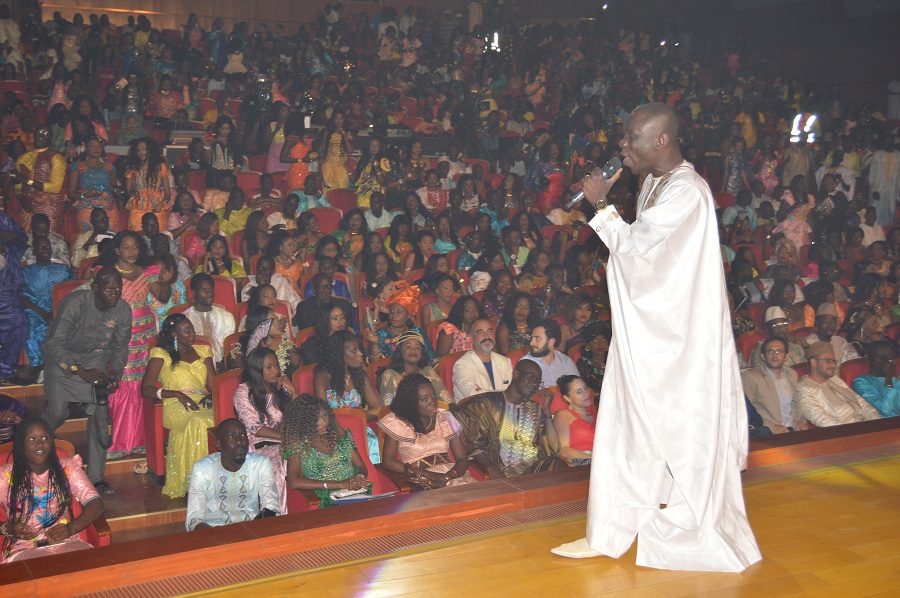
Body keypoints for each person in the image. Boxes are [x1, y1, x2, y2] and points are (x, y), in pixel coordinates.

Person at [552, 103, 760, 572]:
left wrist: (601, 205)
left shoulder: (688, 189)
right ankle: (608, 532)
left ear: (661, 140)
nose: (622, 147)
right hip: (650, 332)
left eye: (631, 138)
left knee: (682, 433)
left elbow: (636, 244)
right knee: (627, 429)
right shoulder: (652, 183)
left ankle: (687, 524)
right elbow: (646, 261)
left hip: (681, 344)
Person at [43, 267, 131, 495]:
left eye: (118, 288)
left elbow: (120, 347)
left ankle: (95, 478)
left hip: (96, 362)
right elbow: (54, 343)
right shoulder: (76, 304)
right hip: (63, 361)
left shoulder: (123, 310)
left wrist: (116, 373)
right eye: (108, 288)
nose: (114, 293)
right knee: (59, 412)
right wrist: (79, 370)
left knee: (100, 415)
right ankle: (31, 446)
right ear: (95, 288)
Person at [0, 418, 105, 563]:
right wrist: (8, 528)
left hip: (67, 542)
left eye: (45, 438)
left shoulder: (67, 468)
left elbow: (95, 503)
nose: (40, 444)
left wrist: (71, 528)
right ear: (21, 444)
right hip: (24, 548)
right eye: (32, 439)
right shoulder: (5, 475)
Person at [141, 314, 215, 497]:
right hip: (174, 404)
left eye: (192, 330)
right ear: (174, 334)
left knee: (215, 420)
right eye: (187, 331)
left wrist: (211, 396)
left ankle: (216, 481)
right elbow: (146, 389)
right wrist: (175, 394)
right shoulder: (161, 354)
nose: (192, 334)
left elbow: (214, 385)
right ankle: (197, 483)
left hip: (201, 402)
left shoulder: (203, 351)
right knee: (198, 422)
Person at [451, 359, 563, 478]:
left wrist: (546, 412)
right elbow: (475, 446)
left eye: (538, 381)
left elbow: (553, 449)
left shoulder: (534, 409)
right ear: (516, 374)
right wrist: (491, 468)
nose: (534, 384)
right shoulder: (486, 405)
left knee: (556, 463)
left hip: (533, 469)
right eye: (530, 378)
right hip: (505, 472)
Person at [378, 373, 475, 490]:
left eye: (433, 396)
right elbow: (388, 462)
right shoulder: (397, 423)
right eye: (425, 399)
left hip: (452, 478)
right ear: (411, 403)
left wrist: (449, 476)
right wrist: (429, 475)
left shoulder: (445, 417)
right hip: (421, 480)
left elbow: (462, 459)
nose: (432, 402)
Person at [233, 347, 299, 514]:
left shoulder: (281, 388)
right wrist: (285, 438)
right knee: (280, 462)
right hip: (259, 445)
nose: (276, 370)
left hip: (286, 440)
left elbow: (299, 418)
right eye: (269, 367)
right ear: (257, 369)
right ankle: (277, 514)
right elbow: (255, 427)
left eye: (276, 365)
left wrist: (292, 391)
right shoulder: (244, 391)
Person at [185, 418, 280, 530]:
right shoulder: (203, 469)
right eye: (231, 437)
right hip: (213, 532)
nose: (239, 441)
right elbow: (193, 520)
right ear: (218, 444)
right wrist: (216, 536)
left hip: (251, 529)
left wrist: (257, 526)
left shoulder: (260, 464)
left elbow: (272, 507)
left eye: (243, 435)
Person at [282, 395, 371, 508]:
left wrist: (359, 479)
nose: (323, 422)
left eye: (325, 415)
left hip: (353, 493)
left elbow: (360, 465)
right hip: (326, 498)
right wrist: (341, 484)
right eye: (315, 419)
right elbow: (293, 482)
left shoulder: (339, 433)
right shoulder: (298, 444)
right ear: (304, 421)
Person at [313, 330, 383, 462]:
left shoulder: (358, 373)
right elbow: (322, 415)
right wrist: (351, 418)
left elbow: (377, 408)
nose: (360, 354)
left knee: (372, 443)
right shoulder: (322, 377)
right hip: (334, 433)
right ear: (340, 354)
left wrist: (358, 418)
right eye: (354, 351)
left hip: (360, 430)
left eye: (359, 350)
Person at [20, 236, 74, 381]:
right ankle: (38, 366)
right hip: (35, 312)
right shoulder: (25, 272)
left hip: (60, 311)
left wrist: (58, 313)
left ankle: (64, 369)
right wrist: (44, 314)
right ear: (34, 251)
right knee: (27, 325)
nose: (46, 250)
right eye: (41, 247)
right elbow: (22, 298)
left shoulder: (63, 270)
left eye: (48, 246)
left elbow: (73, 294)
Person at [797, 341, 881, 427]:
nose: (834, 365)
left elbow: (861, 402)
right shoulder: (803, 388)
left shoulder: (833, 379)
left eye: (834, 361)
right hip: (845, 434)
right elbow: (822, 419)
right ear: (813, 362)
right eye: (828, 361)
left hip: (865, 427)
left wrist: (877, 423)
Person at [741, 337, 807, 434]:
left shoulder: (791, 374)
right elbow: (745, 411)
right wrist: (770, 427)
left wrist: (801, 420)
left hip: (793, 429)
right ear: (763, 356)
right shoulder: (751, 376)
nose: (774, 355)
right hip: (768, 433)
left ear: (786, 356)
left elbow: (795, 404)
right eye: (770, 351)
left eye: (779, 351)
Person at [379, 330, 452, 405]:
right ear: (400, 351)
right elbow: (387, 407)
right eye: (408, 347)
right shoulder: (390, 374)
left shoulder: (428, 371)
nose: (413, 350)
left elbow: (446, 399)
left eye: (417, 348)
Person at [452, 317, 513, 402]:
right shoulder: (462, 365)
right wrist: (502, 394)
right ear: (471, 338)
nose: (487, 336)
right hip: (473, 412)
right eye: (480, 332)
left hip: (503, 411)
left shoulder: (505, 362)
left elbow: (511, 392)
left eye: (490, 331)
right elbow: (476, 397)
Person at [183, 273, 236, 368]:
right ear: (194, 293)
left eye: (211, 289)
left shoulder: (226, 317)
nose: (209, 293)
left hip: (222, 366)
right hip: (193, 367)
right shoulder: (184, 319)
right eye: (204, 290)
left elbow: (230, 349)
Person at [124, 137, 170, 231]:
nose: (141, 152)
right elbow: (127, 190)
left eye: (144, 149)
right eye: (138, 150)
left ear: (150, 149)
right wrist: (132, 193)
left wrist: (161, 204)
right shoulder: (132, 168)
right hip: (138, 206)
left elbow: (168, 194)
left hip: (156, 206)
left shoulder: (161, 167)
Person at [521, 319, 579, 389]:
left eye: (537, 339)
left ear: (551, 342)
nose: (531, 343)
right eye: (532, 338)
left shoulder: (565, 361)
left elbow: (576, 389)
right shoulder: (526, 363)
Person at [553, 375, 597, 465]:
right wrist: (594, 459)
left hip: (604, 458)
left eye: (585, 388)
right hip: (582, 461)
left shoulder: (596, 414)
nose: (586, 393)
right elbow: (563, 450)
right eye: (579, 392)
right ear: (567, 398)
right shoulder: (563, 415)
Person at [852, 341, 900, 418]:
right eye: (891, 360)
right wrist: (888, 378)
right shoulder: (861, 382)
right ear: (878, 360)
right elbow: (885, 410)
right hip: (882, 426)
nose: (894, 363)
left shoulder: (896, 381)